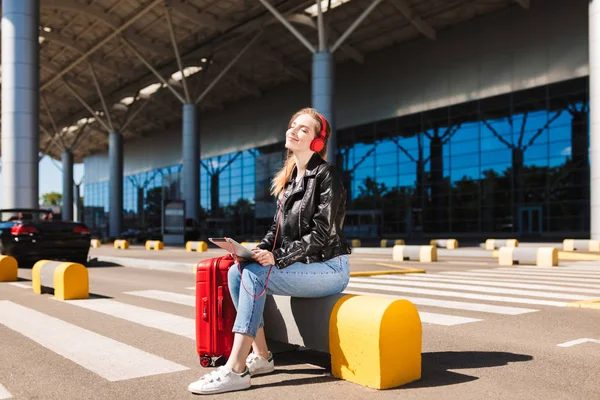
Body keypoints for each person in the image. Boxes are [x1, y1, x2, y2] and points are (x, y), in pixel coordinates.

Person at [188, 108, 352, 395]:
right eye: (292, 125)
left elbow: (322, 234)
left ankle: (236, 369)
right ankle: (262, 356)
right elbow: (275, 232)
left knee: (256, 275)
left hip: (329, 268)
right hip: (304, 265)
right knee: (238, 272)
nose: (294, 131)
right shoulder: (289, 182)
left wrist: (277, 257)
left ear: (317, 141)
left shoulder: (327, 175)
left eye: (304, 128)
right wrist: (254, 250)